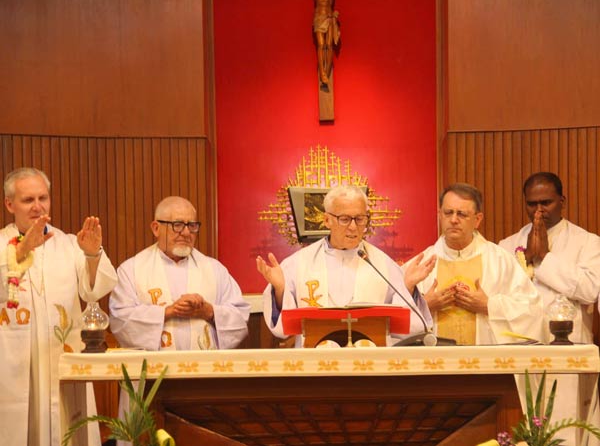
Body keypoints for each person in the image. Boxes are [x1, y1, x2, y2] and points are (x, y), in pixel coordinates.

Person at [0, 167, 118, 446]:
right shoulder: (2, 244)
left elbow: (94, 290)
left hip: (60, 355)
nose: (37, 206)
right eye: (28, 200)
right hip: (13, 364)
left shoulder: (68, 244)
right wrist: (21, 251)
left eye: (43, 198)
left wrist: (92, 254)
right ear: (9, 204)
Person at [256, 185, 435, 347]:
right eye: (344, 219)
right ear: (327, 220)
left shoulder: (382, 264)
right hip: (317, 364)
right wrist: (280, 290)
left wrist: (408, 287)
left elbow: (406, 326)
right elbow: (283, 328)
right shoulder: (299, 263)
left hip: (368, 364)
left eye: (360, 219)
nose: (353, 227)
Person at [499, 172, 600, 446]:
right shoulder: (506, 247)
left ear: (562, 201)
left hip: (569, 352)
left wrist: (544, 257)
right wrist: (529, 258)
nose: (539, 210)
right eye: (532, 204)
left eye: (546, 202)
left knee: (567, 427)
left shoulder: (587, 242)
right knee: (522, 426)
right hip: (522, 351)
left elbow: (590, 290)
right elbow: (500, 296)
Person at [403, 183, 543, 345]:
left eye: (461, 214)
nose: (453, 220)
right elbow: (391, 320)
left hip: (486, 359)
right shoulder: (419, 266)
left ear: (477, 220)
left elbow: (532, 311)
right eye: (448, 213)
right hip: (434, 359)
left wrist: (488, 306)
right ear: (439, 215)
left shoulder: (500, 261)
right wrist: (425, 306)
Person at [109, 195, 250, 352]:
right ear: (156, 228)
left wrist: (209, 311)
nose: (186, 232)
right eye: (177, 225)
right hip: (154, 366)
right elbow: (120, 319)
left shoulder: (215, 270)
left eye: (192, 225)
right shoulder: (131, 270)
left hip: (204, 365)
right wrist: (168, 312)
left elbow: (240, 318)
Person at [313, 0, 340, 85]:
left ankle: (327, 74)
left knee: (329, 45)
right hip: (319, 17)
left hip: (329, 17)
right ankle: (322, 72)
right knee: (321, 45)